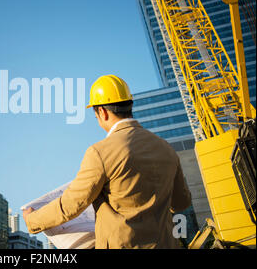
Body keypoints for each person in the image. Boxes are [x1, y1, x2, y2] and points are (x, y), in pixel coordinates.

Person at [23, 75, 192, 249]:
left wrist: (32, 220)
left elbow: (72, 203)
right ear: (129, 105)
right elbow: (181, 202)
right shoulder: (166, 149)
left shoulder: (100, 152)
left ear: (102, 112)